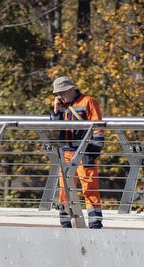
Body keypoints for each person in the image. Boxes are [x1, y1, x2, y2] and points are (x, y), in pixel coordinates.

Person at [49, 76, 105, 229]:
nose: (58, 96)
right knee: (64, 188)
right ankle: (65, 221)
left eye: (60, 93)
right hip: (66, 151)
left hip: (85, 152)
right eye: (56, 94)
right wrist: (56, 110)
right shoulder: (61, 106)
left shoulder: (88, 101)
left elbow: (99, 127)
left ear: (70, 89)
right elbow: (55, 129)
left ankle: (95, 223)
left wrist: (93, 152)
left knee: (90, 188)